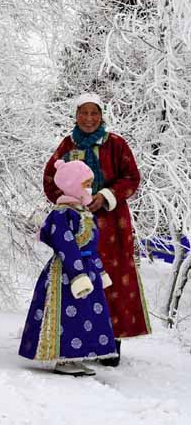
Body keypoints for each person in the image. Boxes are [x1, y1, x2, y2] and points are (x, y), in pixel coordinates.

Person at [43, 92, 151, 366]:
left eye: (94, 113)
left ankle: (112, 341)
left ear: (102, 115)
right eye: (83, 112)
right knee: (80, 276)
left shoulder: (116, 144)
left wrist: (106, 195)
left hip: (113, 223)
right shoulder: (67, 146)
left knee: (113, 278)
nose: (89, 118)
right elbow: (49, 179)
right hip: (80, 224)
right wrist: (70, 203)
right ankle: (83, 338)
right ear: (75, 115)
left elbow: (131, 177)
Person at [19, 159, 117, 376]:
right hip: (67, 273)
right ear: (72, 184)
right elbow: (66, 246)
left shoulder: (83, 212)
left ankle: (77, 355)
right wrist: (77, 274)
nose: (90, 189)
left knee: (85, 314)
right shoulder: (62, 214)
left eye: (90, 184)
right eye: (85, 184)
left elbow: (91, 247)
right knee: (68, 313)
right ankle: (63, 358)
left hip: (87, 271)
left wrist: (100, 271)